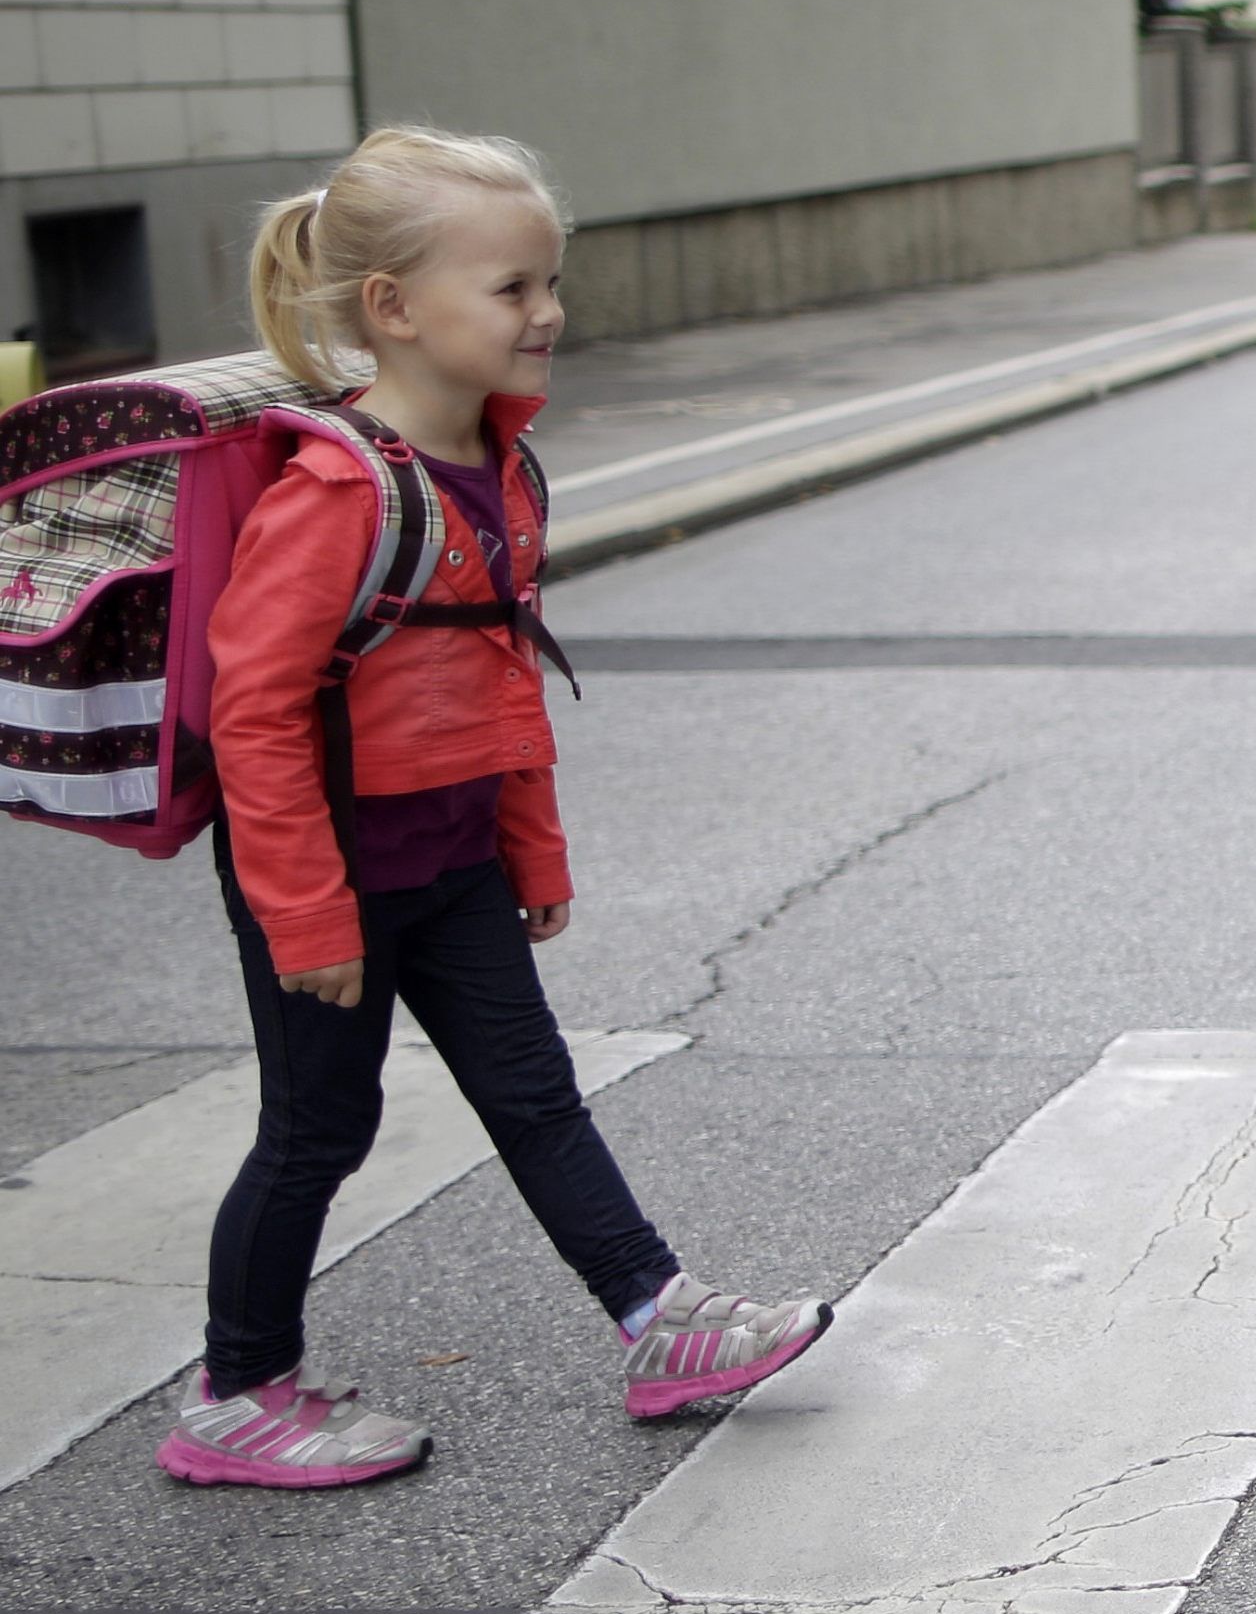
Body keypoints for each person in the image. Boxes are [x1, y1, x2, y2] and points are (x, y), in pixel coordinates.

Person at [159, 127, 829, 1488]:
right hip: (335, 871)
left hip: (455, 854)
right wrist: (304, 911)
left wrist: (531, 843)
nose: (548, 314)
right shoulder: (340, 492)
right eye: (511, 289)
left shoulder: (502, 468)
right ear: (394, 311)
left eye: (547, 282)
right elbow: (256, 712)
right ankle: (235, 1396)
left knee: (537, 1098)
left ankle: (657, 1321)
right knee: (316, 1132)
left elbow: (496, 675)